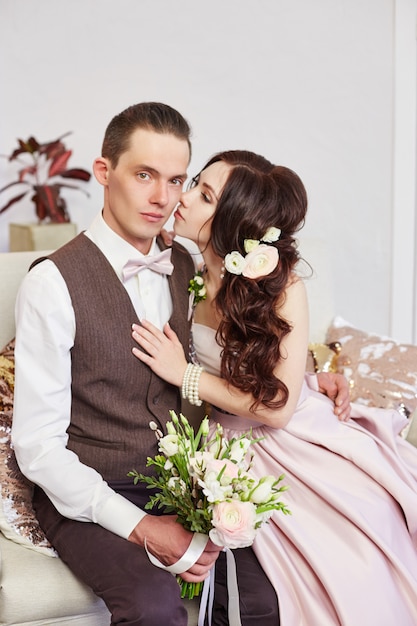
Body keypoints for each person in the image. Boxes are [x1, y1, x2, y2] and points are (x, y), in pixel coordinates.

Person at [11, 102, 349, 626]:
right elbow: (37, 449)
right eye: (144, 175)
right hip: (89, 491)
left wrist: (312, 375)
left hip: (189, 482)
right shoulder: (51, 284)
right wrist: (142, 527)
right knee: (153, 606)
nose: (162, 198)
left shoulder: (194, 263)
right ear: (105, 172)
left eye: (175, 180)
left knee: (265, 600)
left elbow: (245, 342)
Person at [131, 149, 417, 626]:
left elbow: (278, 409)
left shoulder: (283, 287)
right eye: (197, 182)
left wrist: (186, 375)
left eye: (203, 196)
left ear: (230, 222)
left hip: (290, 437)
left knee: (356, 553)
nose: (182, 198)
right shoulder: (178, 269)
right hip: (226, 445)